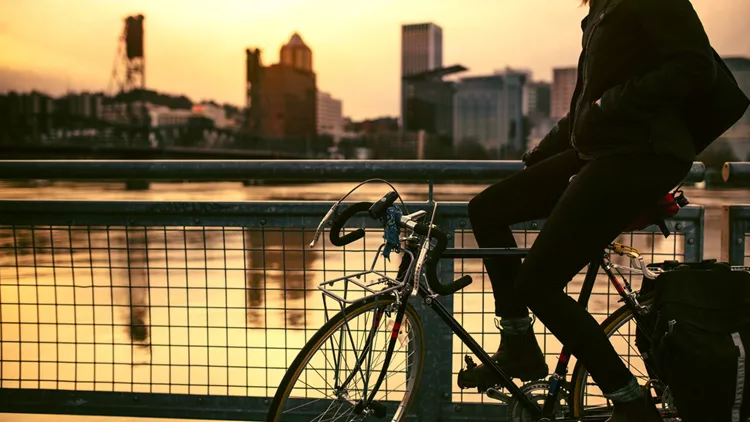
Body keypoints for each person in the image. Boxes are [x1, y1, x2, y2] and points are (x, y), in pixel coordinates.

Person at [457, 0, 723, 420]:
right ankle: (519, 344)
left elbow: (695, 67)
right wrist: (541, 157)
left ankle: (631, 404)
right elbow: (584, 108)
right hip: (602, 150)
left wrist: (609, 105)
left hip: (642, 153)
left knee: (537, 284)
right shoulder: (602, 7)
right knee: (486, 209)